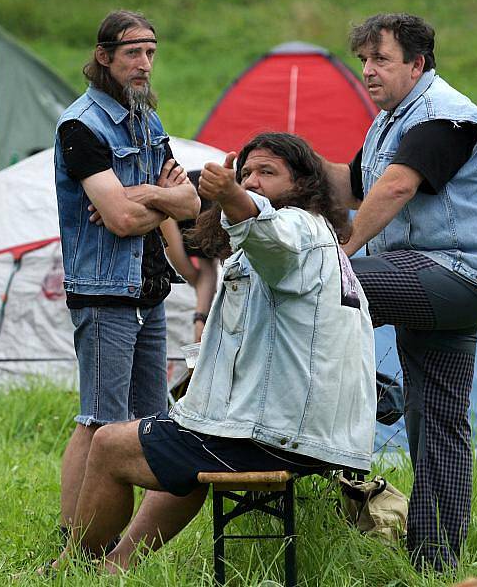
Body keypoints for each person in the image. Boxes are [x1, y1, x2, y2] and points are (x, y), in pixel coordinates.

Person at [48, 132, 376, 573]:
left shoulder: (296, 227)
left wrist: (232, 194)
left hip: (279, 434)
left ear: (302, 184)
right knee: (176, 440)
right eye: (247, 173)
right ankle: (116, 567)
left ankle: (72, 567)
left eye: (267, 173)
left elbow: (265, 230)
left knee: (109, 444)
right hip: (311, 431)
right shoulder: (320, 240)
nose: (253, 181)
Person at [323, 13, 477, 571]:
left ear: (417, 64)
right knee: (437, 425)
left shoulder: (446, 114)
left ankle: (366, 391)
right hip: (439, 280)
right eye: (362, 60)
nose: (367, 71)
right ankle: (434, 565)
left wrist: (338, 251)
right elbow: (354, 186)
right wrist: (274, 165)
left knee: (326, 287)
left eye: (380, 60)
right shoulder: (390, 120)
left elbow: (398, 186)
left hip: (453, 275)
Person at [53, 10, 200, 540]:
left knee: (152, 422)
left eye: (151, 52)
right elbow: (117, 220)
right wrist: (160, 200)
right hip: (103, 291)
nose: (145, 64)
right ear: (104, 56)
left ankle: (124, 542)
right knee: (98, 421)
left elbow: (189, 202)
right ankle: (76, 545)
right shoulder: (80, 127)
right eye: (134, 52)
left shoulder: (147, 119)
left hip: (149, 288)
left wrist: (145, 197)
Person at [160, 172, 219, 343]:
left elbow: (206, 270)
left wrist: (200, 319)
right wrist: (200, 319)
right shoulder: (172, 213)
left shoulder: (216, 223)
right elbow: (194, 273)